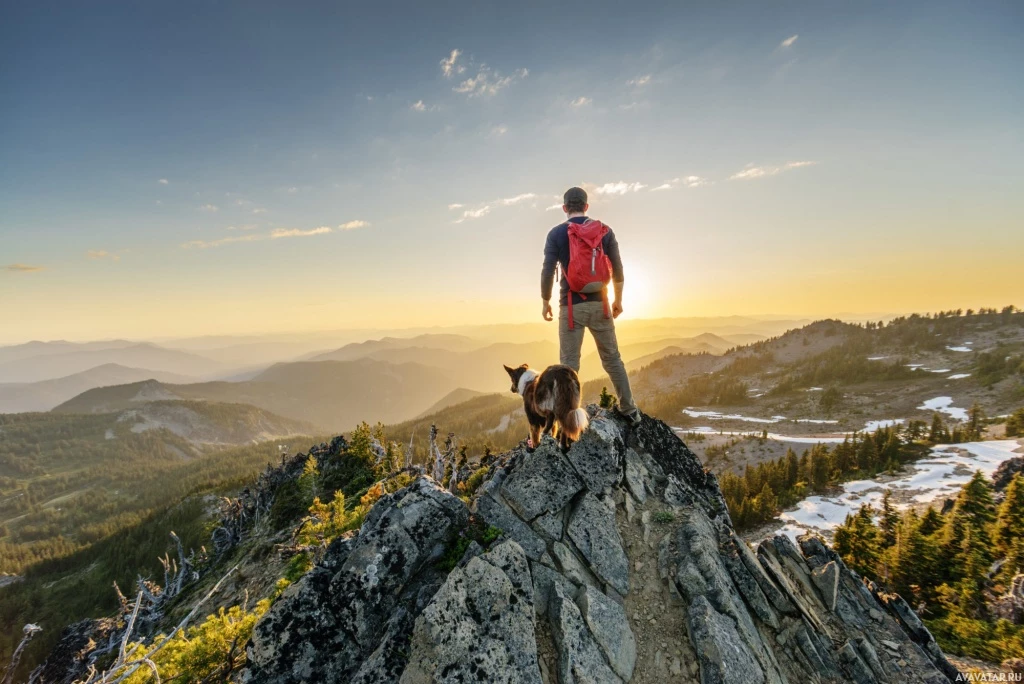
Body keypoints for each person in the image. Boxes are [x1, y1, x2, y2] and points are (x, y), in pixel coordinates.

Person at [540, 186, 640, 425]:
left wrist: (545, 301)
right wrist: (618, 300)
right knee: (613, 360)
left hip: (571, 308)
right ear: (586, 206)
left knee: (569, 366)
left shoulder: (556, 234)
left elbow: (547, 270)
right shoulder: (604, 232)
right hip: (601, 305)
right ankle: (629, 410)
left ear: (565, 208)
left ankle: (566, 419)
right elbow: (617, 268)